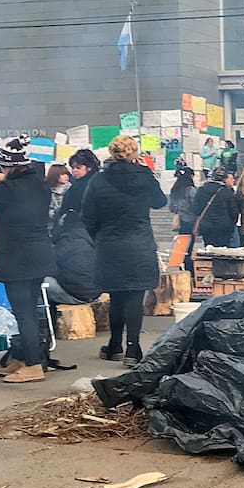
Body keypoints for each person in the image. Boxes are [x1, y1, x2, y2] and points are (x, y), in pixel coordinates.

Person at [0, 136, 57, 384]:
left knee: (22, 312)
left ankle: (34, 366)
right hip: (40, 254)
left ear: (7, 166)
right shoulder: (38, 184)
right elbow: (19, 186)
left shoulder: (8, 190)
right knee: (30, 311)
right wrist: (5, 179)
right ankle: (26, 358)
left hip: (18, 256)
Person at [82, 135, 168, 367]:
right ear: (134, 153)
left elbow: (87, 216)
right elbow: (160, 202)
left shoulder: (98, 180)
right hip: (139, 242)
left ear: (111, 153)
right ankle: (133, 349)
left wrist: (98, 237)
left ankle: (114, 345)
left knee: (117, 295)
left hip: (110, 243)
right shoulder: (144, 176)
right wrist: (147, 172)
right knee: (135, 296)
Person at [193, 167, 240, 248]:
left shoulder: (201, 190)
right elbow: (234, 211)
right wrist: (233, 222)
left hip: (206, 226)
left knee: (209, 248)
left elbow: (196, 209)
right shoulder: (227, 191)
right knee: (222, 250)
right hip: (224, 226)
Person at [60, 149, 101, 222]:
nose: (74, 170)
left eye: (78, 167)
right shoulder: (76, 184)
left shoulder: (91, 185)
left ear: (89, 168)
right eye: (72, 168)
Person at [169, 165, 199, 236]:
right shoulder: (190, 189)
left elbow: (171, 207)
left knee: (182, 238)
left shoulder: (175, 189)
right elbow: (195, 203)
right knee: (189, 239)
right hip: (190, 218)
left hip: (179, 218)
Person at [45, 163, 71, 230]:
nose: (66, 176)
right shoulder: (46, 190)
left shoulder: (71, 189)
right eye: (62, 174)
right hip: (48, 227)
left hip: (66, 226)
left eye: (67, 174)